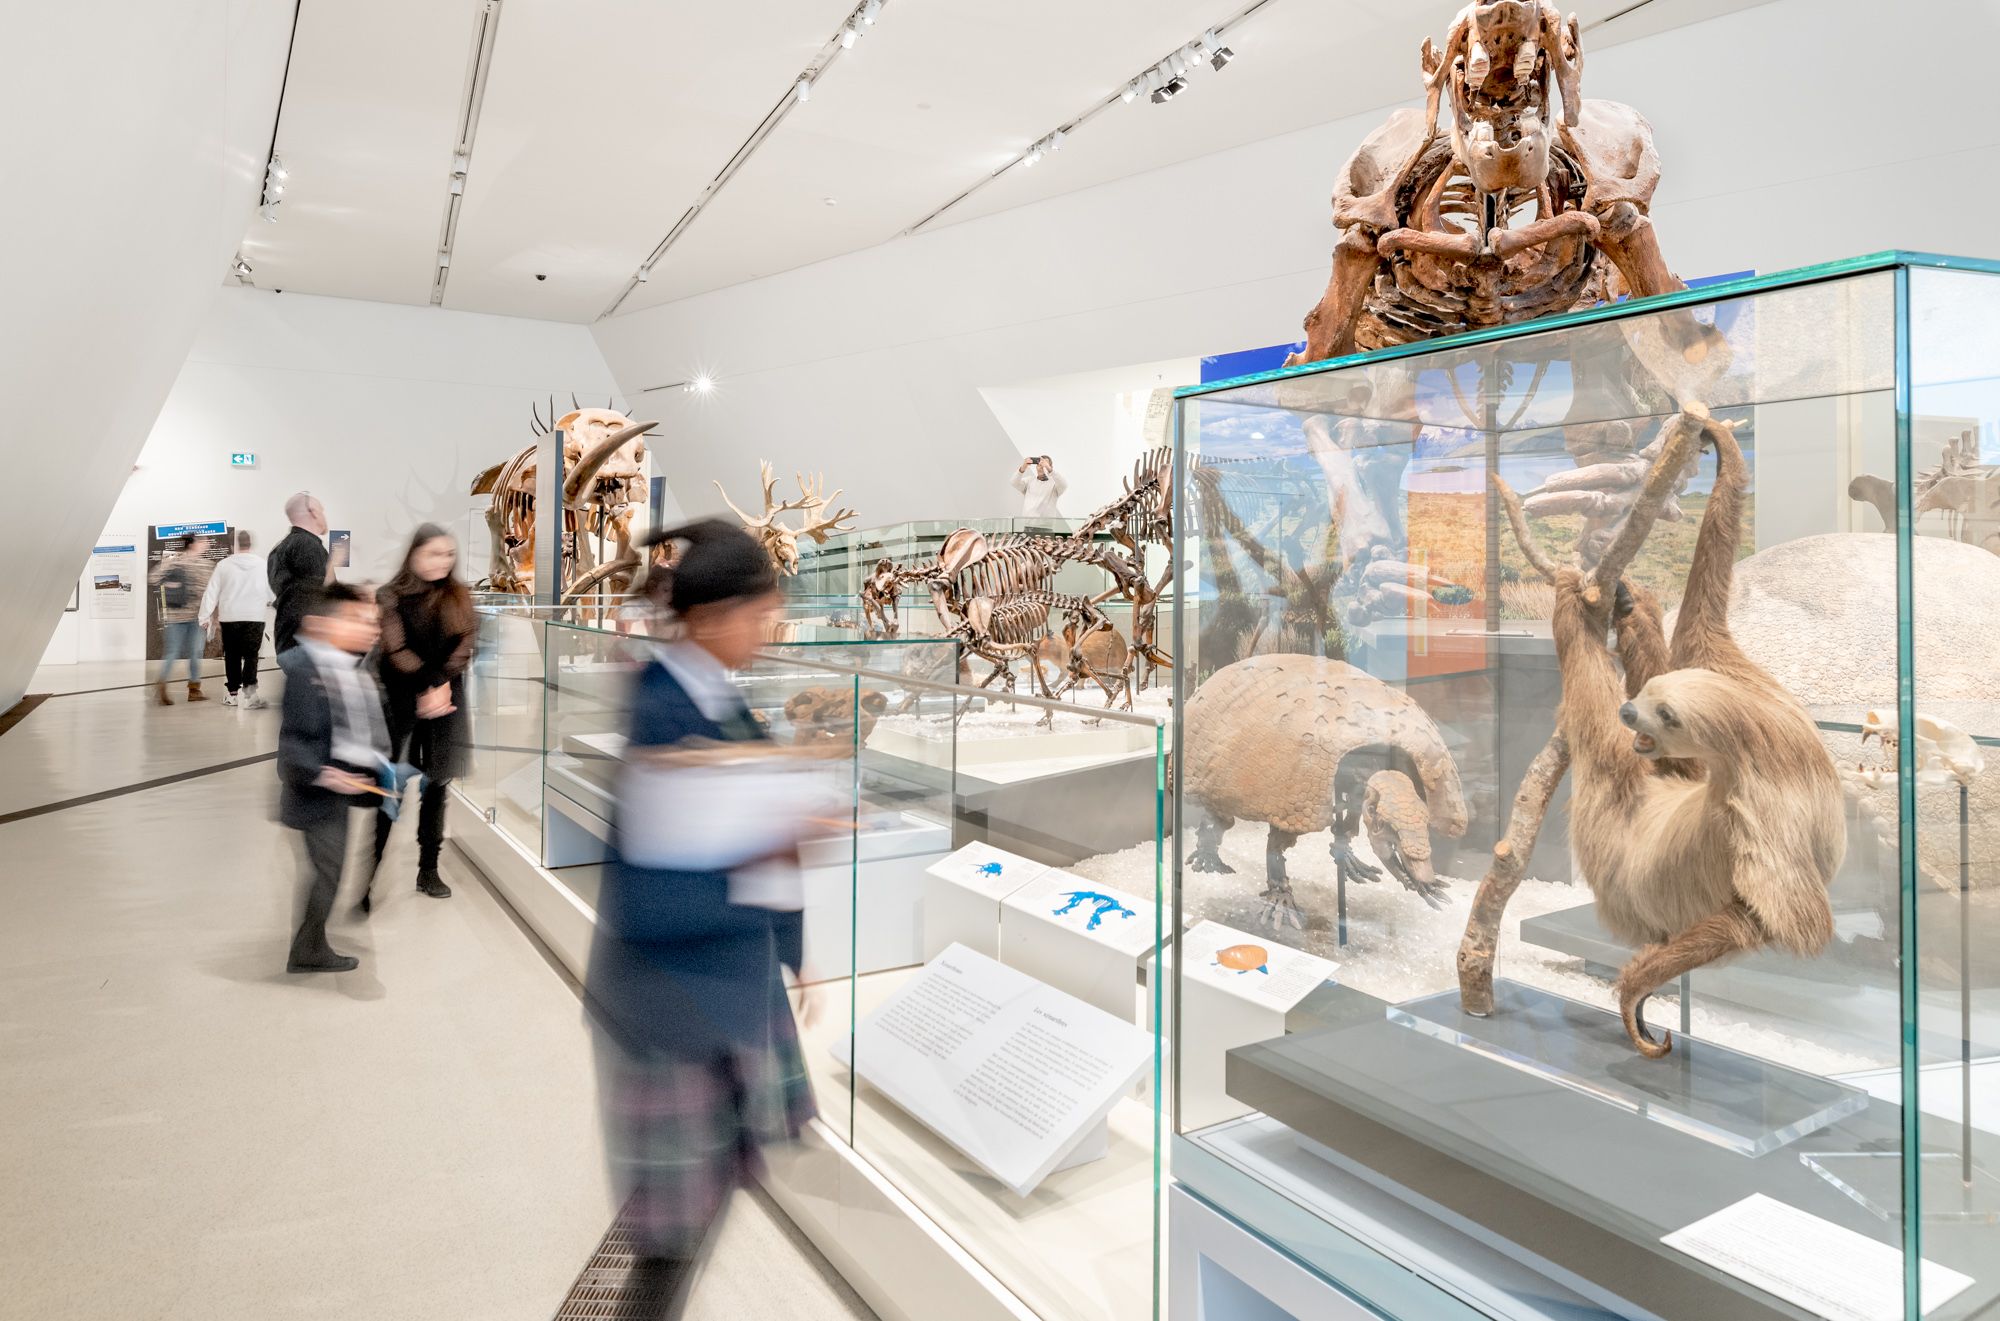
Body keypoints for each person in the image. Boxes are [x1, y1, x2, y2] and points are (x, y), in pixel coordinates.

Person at [585, 519, 821, 1315]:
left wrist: (793, 948)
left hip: (725, 987)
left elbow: (750, 831)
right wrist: (779, 828)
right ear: (718, 616)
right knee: (674, 1226)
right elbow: (654, 893)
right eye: (762, 613)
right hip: (674, 1004)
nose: (771, 629)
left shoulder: (723, 700)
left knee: (703, 1195)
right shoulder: (661, 708)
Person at [275, 583, 389, 975]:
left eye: (373, 622)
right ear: (325, 625)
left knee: (330, 870)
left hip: (339, 787)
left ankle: (309, 944)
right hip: (316, 793)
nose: (370, 629)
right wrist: (322, 773)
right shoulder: (308, 671)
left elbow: (352, 726)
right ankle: (307, 949)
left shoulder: (345, 666)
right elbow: (291, 744)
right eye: (358, 621)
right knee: (329, 872)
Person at [366, 524, 475, 904]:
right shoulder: (390, 595)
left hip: (447, 702)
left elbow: (467, 642)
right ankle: (370, 871)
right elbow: (395, 650)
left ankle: (428, 869)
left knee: (436, 787)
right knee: (390, 787)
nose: (443, 561)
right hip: (404, 702)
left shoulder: (459, 595)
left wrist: (442, 684)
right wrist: (433, 683)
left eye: (448, 554)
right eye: (434, 553)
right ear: (413, 554)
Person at [199, 529, 275, 707]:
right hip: (255, 616)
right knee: (251, 656)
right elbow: (271, 592)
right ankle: (250, 696)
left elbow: (212, 592)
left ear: (234, 545)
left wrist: (204, 616)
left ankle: (232, 695)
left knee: (232, 655)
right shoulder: (263, 564)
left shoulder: (224, 565)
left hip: (230, 617)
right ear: (250, 544)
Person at [149, 534, 216, 706]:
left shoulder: (174, 561)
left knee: (171, 652)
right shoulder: (206, 565)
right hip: (197, 617)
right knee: (195, 653)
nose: (207, 543)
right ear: (194, 544)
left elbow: (153, 577)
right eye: (204, 541)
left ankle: (162, 682)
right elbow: (212, 594)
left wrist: (170, 583)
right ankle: (194, 690)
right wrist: (214, 616)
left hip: (175, 615)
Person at [269, 493, 330, 655]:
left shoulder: (279, 549)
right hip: (307, 646)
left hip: (287, 642)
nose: (324, 516)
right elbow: (322, 598)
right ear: (314, 511)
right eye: (322, 511)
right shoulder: (307, 545)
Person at [1012, 454, 1067, 518]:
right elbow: (1014, 482)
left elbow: (1064, 485)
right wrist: (1023, 468)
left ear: (1050, 467)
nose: (1041, 466)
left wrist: (1049, 470)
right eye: (1039, 464)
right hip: (1028, 525)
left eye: (1044, 464)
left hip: (1046, 526)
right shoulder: (1029, 481)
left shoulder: (1054, 484)